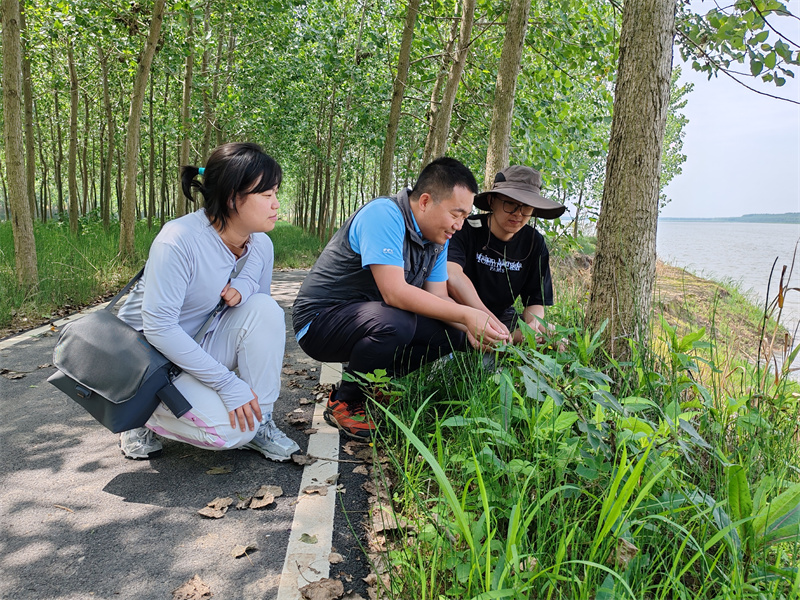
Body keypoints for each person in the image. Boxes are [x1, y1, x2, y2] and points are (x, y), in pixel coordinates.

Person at [292, 157, 508, 440]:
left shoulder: (439, 240)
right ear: (426, 201)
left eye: (465, 217)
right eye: (456, 214)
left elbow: (439, 301)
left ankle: (376, 382)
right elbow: (394, 293)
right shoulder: (384, 215)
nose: (459, 225)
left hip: (367, 321)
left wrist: (474, 326)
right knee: (399, 320)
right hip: (319, 323)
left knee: (454, 332)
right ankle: (345, 400)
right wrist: (467, 315)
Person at [116, 142, 301, 462]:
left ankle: (262, 423)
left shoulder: (260, 244)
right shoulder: (178, 240)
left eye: (276, 193)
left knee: (266, 310)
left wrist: (247, 393)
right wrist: (228, 385)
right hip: (144, 362)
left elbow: (257, 323)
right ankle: (140, 416)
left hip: (196, 342)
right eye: (267, 195)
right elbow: (158, 329)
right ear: (232, 198)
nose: (276, 204)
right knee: (232, 430)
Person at [447, 165, 565, 345]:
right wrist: (485, 321)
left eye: (526, 207)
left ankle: (508, 340)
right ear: (492, 201)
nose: (518, 213)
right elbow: (452, 275)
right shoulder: (465, 229)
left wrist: (533, 325)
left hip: (503, 317)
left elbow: (535, 300)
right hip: (458, 313)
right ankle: (502, 340)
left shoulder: (534, 242)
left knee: (554, 335)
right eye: (510, 203)